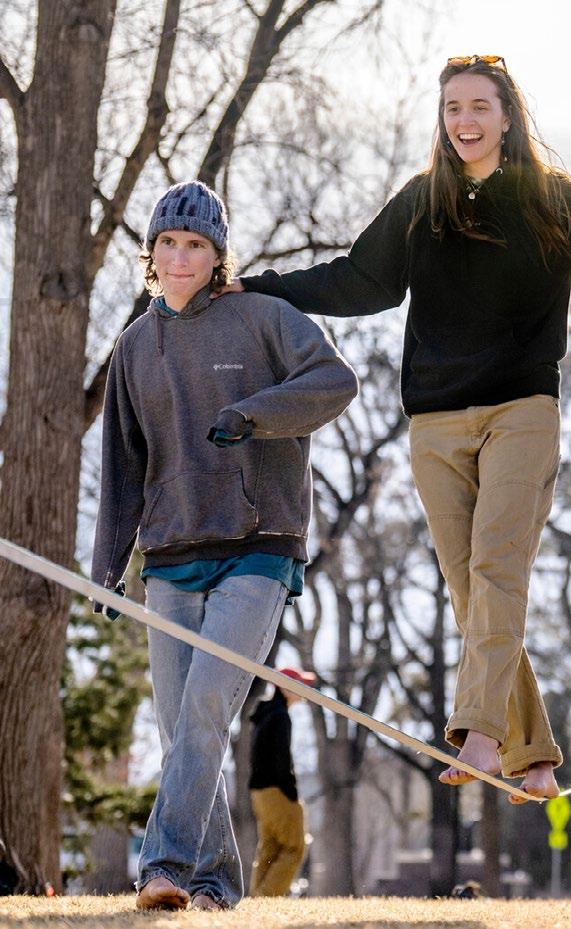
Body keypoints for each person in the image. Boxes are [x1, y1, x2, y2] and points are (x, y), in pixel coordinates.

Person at [219, 55, 571, 801]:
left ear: (507, 116)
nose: (465, 120)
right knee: (471, 591)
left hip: (521, 412)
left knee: (498, 570)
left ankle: (478, 733)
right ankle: (533, 755)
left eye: (479, 106)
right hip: (435, 423)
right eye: (452, 108)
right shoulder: (422, 203)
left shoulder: (550, 200)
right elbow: (357, 279)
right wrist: (258, 288)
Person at [91, 181, 358, 910]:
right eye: (167, 243)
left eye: (196, 245)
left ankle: (162, 866)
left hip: (258, 546)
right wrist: (107, 568)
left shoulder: (264, 317)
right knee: (180, 726)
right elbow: (122, 467)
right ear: (151, 253)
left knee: (206, 706)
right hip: (170, 553)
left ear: (217, 256)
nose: (180, 257)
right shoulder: (133, 347)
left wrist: (254, 414)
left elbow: (335, 381)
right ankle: (213, 885)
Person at [248, 668, 312, 896]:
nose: (304, 689)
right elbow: (282, 759)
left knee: (270, 846)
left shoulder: (264, 714)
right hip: (277, 790)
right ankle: (267, 897)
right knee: (295, 847)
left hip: (259, 792)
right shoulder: (280, 716)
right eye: (299, 684)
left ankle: (257, 898)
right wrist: (291, 793)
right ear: (284, 687)